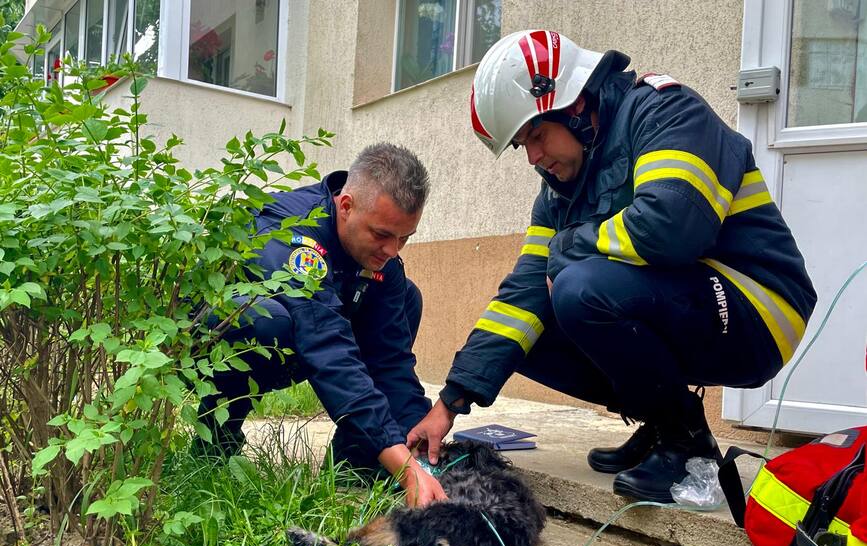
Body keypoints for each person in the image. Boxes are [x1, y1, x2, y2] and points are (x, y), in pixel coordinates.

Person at [407, 30, 817, 504]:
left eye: (537, 134)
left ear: (577, 105)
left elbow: (673, 225)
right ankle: (665, 421)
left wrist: (568, 249)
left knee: (580, 288)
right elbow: (521, 295)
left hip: (759, 307)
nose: (535, 158)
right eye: (523, 146)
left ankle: (685, 444)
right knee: (530, 330)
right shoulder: (559, 189)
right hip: (693, 304)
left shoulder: (666, 113)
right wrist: (450, 403)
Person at [195, 143, 446, 507]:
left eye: (404, 237)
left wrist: (416, 444)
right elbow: (328, 347)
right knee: (268, 324)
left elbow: (390, 361)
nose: (393, 250)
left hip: (309, 338)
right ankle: (215, 441)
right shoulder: (295, 235)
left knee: (406, 295)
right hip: (214, 345)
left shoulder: (384, 259)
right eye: (381, 235)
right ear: (346, 207)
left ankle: (357, 460)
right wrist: (404, 468)